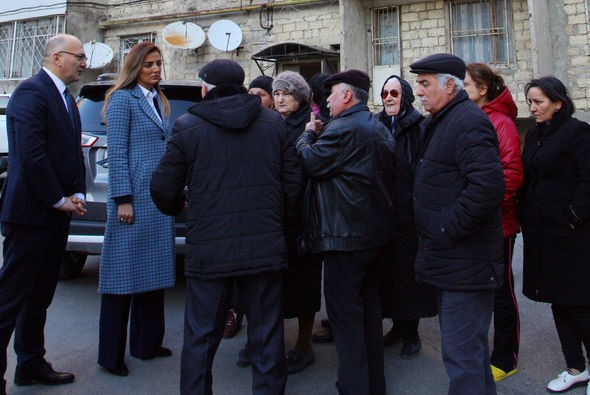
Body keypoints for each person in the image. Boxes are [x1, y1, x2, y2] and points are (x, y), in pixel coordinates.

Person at [150, 59, 300, 395]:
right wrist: (281, 228)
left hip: (210, 250)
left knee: (201, 337)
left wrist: (179, 206)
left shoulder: (188, 125)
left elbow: (162, 187)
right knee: (266, 335)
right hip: (264, 248)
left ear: (206, 87)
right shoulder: (275, 124)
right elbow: (294, 186)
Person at [409, 53, 505, 395]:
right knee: (470, 357)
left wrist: (449, 228)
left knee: (462, 359)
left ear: (450, 85)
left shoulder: (466, 121)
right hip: (454, 261)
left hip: (466, 261)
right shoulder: (443, 120)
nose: (418, 91)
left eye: (425, 83)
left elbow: (488, 186)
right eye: (418, 83)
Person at [297, 69, 395, 395]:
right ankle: (373, 385)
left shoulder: (343, 128)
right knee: (368, 313)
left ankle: (353, 387)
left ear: (347, 96)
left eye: (331, 93)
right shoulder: (374, 126)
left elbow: (310, 162)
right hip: (373, 235)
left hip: (347, 238)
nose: (326, 99)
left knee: (346, 321)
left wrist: (307, 134)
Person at [0, 33, 87, 394]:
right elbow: (31, 156)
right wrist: (57, 199)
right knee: (10, 299)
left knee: (40, 296)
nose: (84, 62)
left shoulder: (67, 98)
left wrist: (77, 194)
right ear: (56, 58)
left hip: (56, 215)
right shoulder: (30, 93)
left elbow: (72, 151)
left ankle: (31, 364)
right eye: (79, 56)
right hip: (31, 215)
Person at [97, 41, 175, 377]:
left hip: (157, 200)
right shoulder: (121, 100)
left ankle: (147, 344)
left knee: (153, 275)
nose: (156, 69)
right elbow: (117, 153)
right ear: (135, 68)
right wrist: (122, 200)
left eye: (158, 64)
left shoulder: (159, 99)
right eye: (148, 65)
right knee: (120, 279)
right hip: (132, 201)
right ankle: (110, 356)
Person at [518, 76, 590, 394]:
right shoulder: (534, 135)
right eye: (530, 102)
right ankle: (575, 367)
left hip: (572, 235)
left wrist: (573, 216)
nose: (532, 108)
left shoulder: (577, 133)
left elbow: (588, 180)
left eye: (538, 102)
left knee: (578, 303)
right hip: (541, 235)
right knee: (557, 302)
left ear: (557, 103)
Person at [464, 63, 523, 382]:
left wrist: (482, 205)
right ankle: (480, 352)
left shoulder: (501, 123)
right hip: (476, 222)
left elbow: (511, 176)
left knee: (501, 291)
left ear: (483, 89)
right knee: (478, 291)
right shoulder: (474, 119)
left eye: (467, 84)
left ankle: (505, 356)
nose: (462, 89)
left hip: (498, 223)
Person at [375, 75, 437, 359]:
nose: (389, 97)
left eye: (395, 93)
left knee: (410, 278)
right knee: (388, 276)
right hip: (383, 215)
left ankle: (411, 333)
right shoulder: (375, 124)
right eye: (385, 93)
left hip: (410, 216)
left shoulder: (420, 126)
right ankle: (397, 327)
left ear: (407, 96)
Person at [273, 71, 322, 373]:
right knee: (275, 283)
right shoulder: (272, 124)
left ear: (300, 97)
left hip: (305, 216)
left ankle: (304, 344)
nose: (279, 99)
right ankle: (268, 342)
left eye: (286, 94)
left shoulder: (313, 127)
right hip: (277, 216)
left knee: (305, 283)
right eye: (276, 93)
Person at [223, 75, 276, 341]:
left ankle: (260, 340)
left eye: (262, 94)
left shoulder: (275, 126)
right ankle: (234, 314)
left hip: (265, 216)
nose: (256, 99)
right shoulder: (239, 122)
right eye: (251, 93)